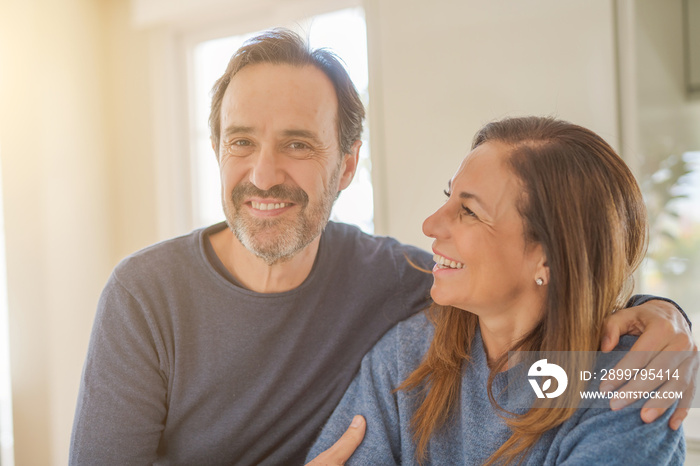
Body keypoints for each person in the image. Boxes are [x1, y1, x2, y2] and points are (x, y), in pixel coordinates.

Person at [69, 29, 694, 465]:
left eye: (297, 143)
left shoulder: (405, 285)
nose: (262, 174)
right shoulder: (411, 357)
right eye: (240, 142)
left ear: (346, 167)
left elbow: (568, 324)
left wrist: (666, 317)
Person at [307, 116, 688, 465]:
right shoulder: (406, 356)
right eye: (448, 196)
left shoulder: (636, 379)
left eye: (470, 211)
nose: (430, 224)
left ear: (549, 257)